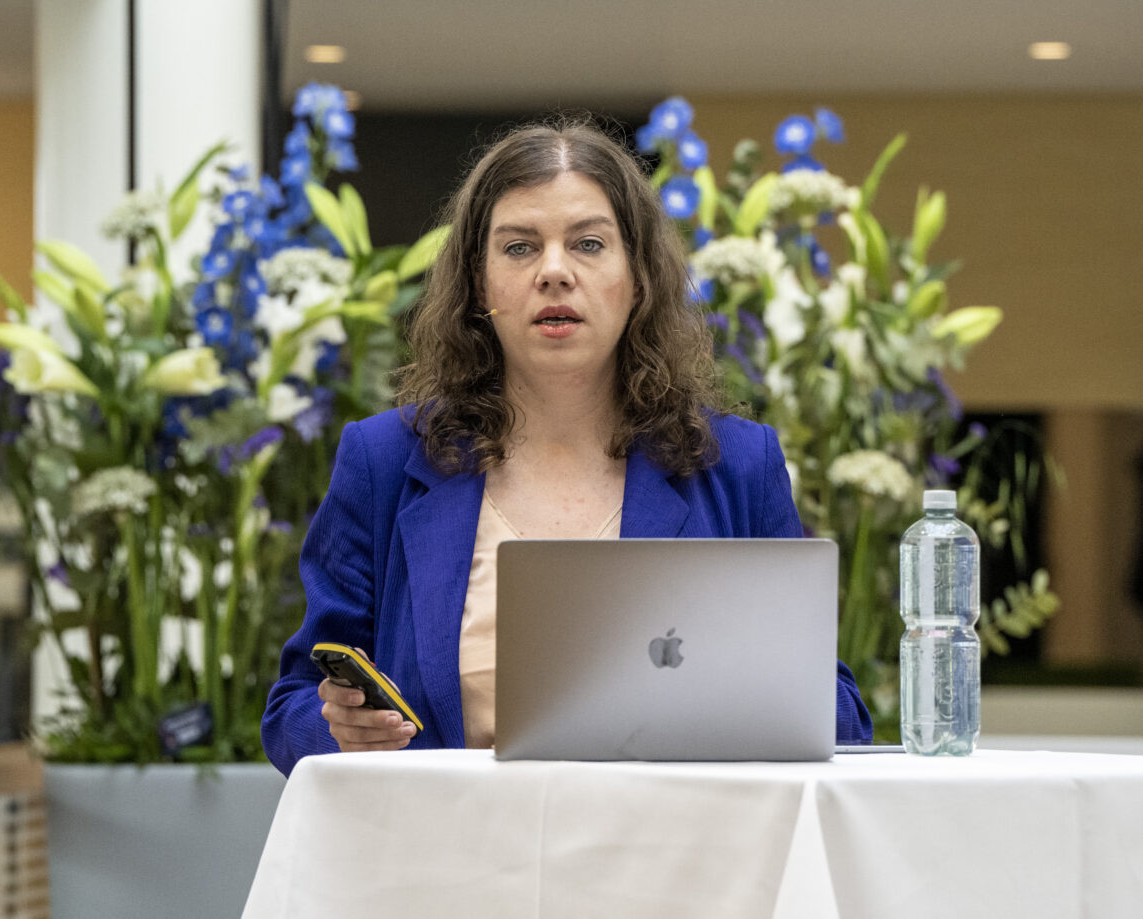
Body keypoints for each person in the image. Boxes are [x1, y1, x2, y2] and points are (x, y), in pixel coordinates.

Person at [262, 119, 873, 776]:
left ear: (637, 276)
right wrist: (341, 729)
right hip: (443, 860)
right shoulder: (382, 460)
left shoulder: (738, 467)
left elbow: (840, 718)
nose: (554, 272)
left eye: (587, 243)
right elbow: (292, 711)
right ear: (478, 285)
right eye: (520, 248)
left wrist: (737, 688)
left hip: (674, 861)